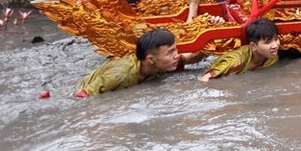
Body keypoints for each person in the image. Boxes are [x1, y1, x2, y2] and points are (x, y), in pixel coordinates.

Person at [74, 28, 207, 97]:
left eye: (176, 50)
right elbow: (83, 95)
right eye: (170, 52)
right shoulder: (121, 73)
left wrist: (215, 41)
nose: (176, 55)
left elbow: (192, 58)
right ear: (150, 59)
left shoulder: (161, 63)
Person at [199, 18, 280, 82]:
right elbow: (204, 79)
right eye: (268, 42)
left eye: (276, 39)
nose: (275, 45)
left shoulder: (271, 57)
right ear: (253, 46)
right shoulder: (235, 62)